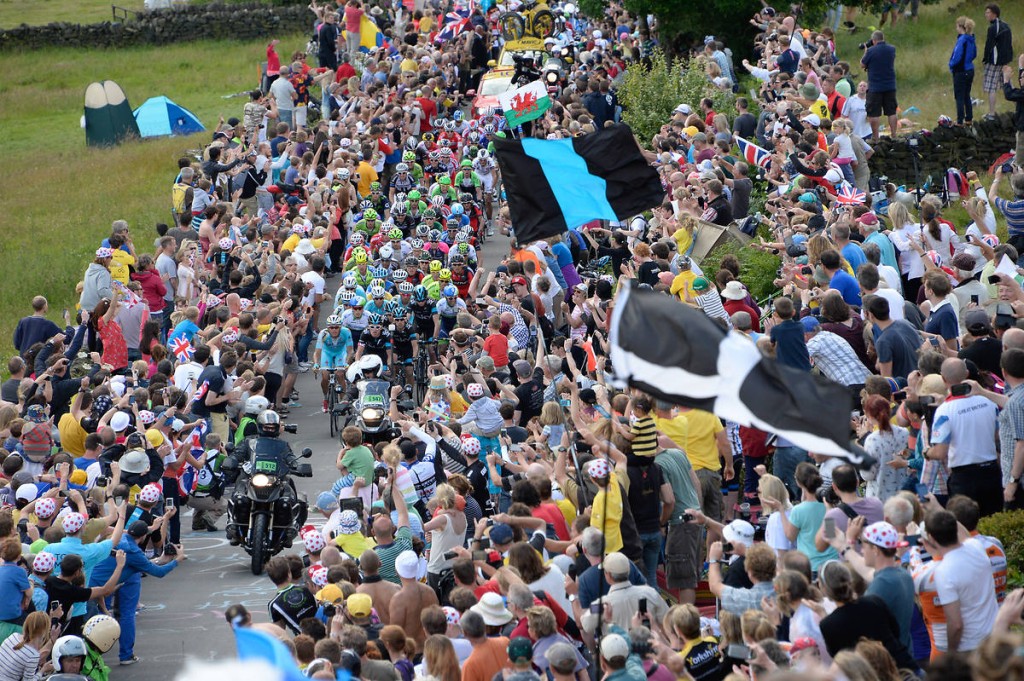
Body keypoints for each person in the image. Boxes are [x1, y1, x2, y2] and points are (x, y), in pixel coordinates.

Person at [924, 509, 998, 652]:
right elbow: (965, 534)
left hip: (969, 647)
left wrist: (951, 653)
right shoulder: (976, 547)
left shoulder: (943, 571)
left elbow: (956, 624)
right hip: (993, 638)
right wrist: (938, 508)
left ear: (931, 538)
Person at [860, 30, 899, 140]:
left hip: (875, 86)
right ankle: (894, 134)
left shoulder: (871, 51)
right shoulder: (891, 49)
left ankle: (875, 137)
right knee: (891, 111)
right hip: (890, 85)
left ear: (873, 40)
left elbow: (863, 64)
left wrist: (866, 51)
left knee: (874, 113)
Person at [982, 3, 1014, 118]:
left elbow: (989, 45)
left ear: (994, 14)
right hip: (1005, 60)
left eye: (988, 12)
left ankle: (991, 113)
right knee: (1009, 84)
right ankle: (1019, 107)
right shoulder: (1006, 25)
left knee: (991, 87)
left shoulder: (992, 28)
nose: (986, 15)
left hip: (994, 61)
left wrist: (985, 59)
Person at [949, 16, 977, 125]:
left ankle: (960, 120)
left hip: (961, 71)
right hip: (970, 69)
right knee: (966, 95)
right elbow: (974, 54)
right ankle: (969, 118)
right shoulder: (971, 39)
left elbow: (957, 56)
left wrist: (951, 65)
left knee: (959, 96)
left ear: (960, 26)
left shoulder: (962, 40)